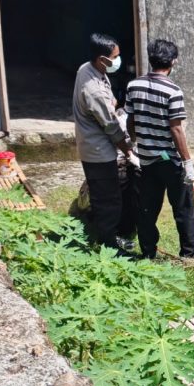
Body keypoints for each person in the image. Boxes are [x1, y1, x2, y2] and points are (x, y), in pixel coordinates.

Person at [126, 39, 194, 260]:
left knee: (147, 209)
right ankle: (188, 254)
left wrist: (136, 143)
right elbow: (176, 129)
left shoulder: (133, 86)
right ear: (173, 62)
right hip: (170, 161)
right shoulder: (173, 91)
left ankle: (148, 252)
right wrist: (187, 162)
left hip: (146, 159)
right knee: (183, 208)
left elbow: (131, 120)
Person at [72, 32, 133, 251]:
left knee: (103, 195)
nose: (118, 60)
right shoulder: (93, 89)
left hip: (93, 145)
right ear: (101, 59)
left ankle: (103, 236)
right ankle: (108, 244)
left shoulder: (88, 69)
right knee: (109, 201)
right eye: (114, 57)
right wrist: (128, 151)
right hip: (98, 151)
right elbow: (111, 127)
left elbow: (110, 104)